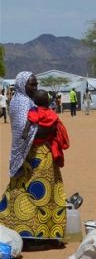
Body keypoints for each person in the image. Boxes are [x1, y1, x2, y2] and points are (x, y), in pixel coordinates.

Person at [0, 72, 67, 245]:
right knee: (37, 193)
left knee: (25, 191)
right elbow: (29, 132)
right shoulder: (23, 103)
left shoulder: (24, 101)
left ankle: (28, 232)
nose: (35, 88)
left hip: (34, 154)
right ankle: (34, 234)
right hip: (34, 156)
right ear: (22, 85)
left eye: (36, 84)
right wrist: (52, 130)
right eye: (32, 84)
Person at [24, 90, 70, 169]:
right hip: (48, 143)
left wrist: (25, 131)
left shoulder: (34, 111)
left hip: (36, 145)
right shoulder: (51, 112)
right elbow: (56, 124)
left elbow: (30, 120)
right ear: (47, 101)